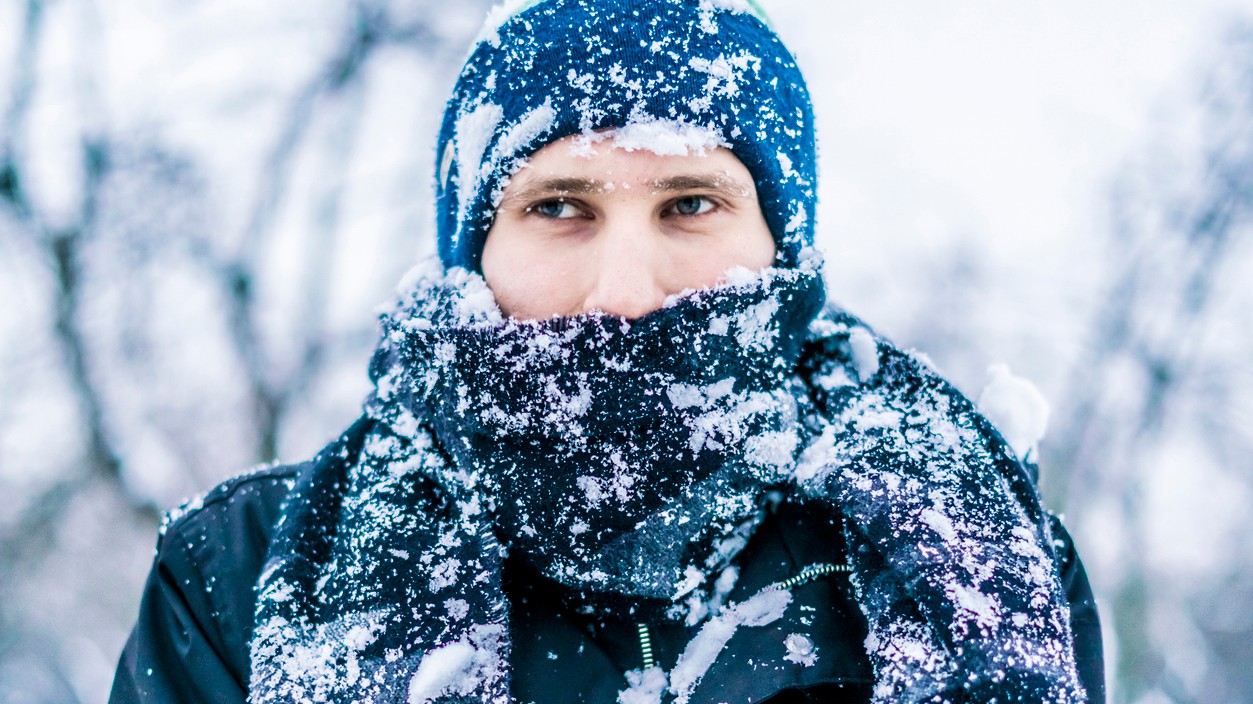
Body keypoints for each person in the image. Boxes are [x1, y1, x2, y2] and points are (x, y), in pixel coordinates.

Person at [109, 1, 1104, 703]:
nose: (625, 292)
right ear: (475, 249)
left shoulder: (968, 550)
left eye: (690, 203)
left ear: (780, 246)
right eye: (557, 206)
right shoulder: (241, 572)